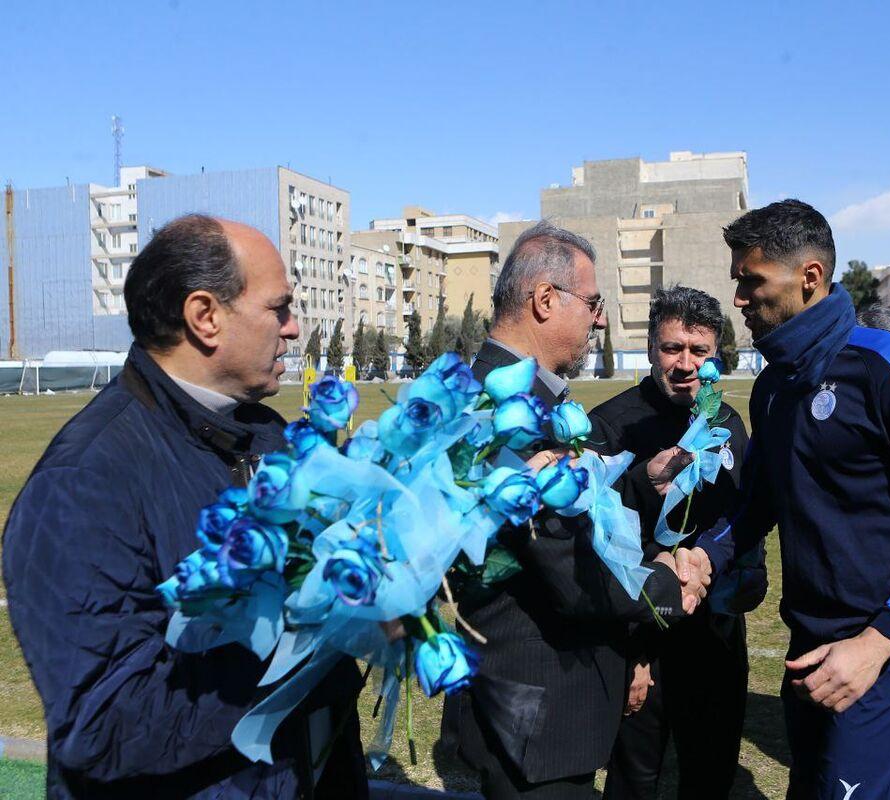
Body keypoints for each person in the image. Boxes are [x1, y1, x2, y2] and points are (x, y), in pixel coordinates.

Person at [2, 214, 367, 799]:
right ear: (205, 318)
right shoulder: (83, 482)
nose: (294, 329)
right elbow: (106, 724)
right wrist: (311, 644)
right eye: (279, 308)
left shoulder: (265, 435)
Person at [693, 199, 890, 799]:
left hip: (883, 654)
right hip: (807, 649)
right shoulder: (773, 387)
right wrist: (705, 555)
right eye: (736, 282)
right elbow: (758, 503)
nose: (738, 300)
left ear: (810, 277)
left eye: (751, 281)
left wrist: (875, 644)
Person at [441, 221, 712, 799]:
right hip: (533, 717)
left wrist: (639, 483)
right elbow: (568, 564)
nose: (600, 319)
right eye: (592, 303)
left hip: (535, 709)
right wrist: (669, 586)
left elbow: (559, 511)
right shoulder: (503, 410)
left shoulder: (518, 394)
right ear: (545, 300)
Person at [589, 286, 764, 799]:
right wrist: (633, 652)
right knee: (635, 782)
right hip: (642, 644)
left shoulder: (727, 424)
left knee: (710, 775)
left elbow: (746, 515)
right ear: (649, 348)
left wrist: (750, 575)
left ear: (716, 354)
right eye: (672, 348)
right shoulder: (610, 425)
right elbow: (596, 543)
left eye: (699, 351)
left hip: (715, 638)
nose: (685, 364)